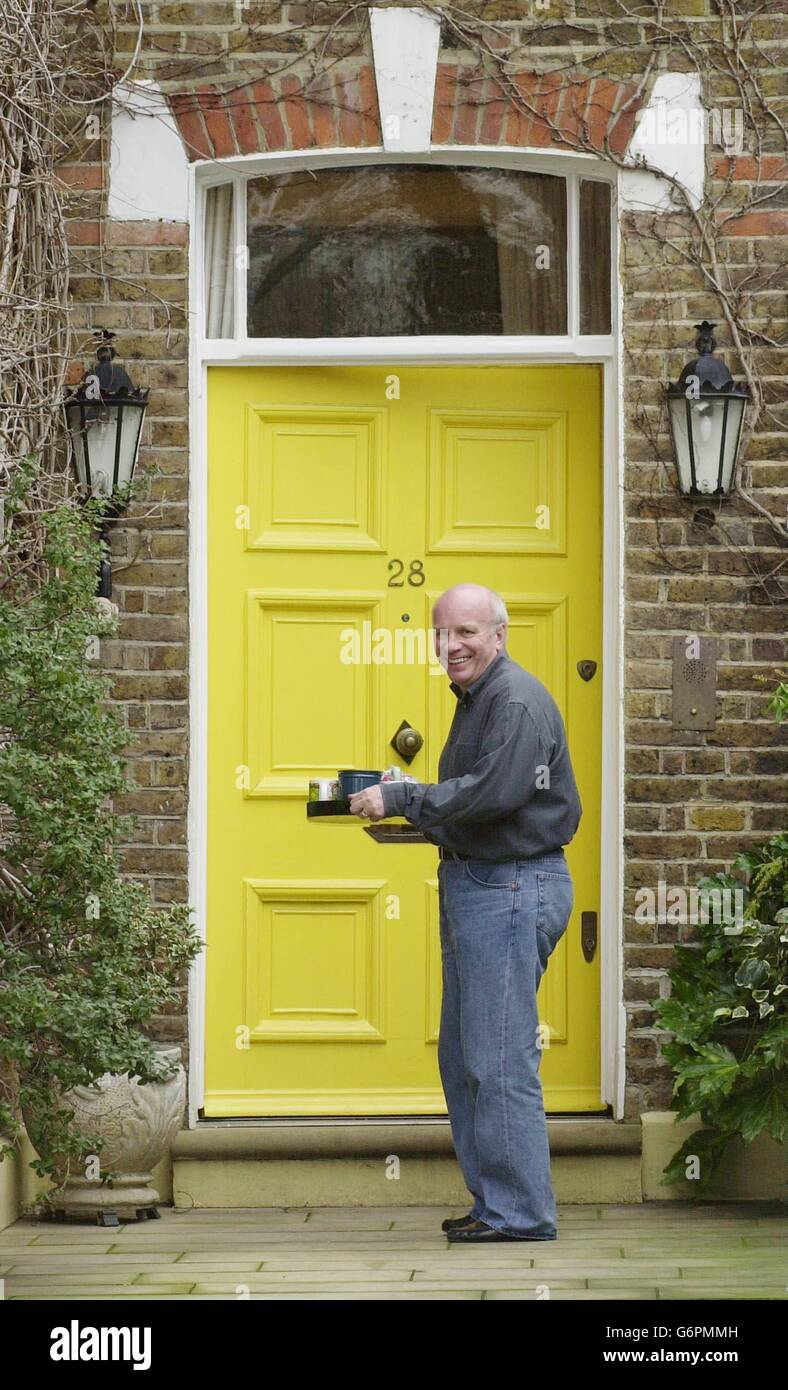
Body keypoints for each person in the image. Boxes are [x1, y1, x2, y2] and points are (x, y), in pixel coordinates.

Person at [348, 583, 582, 1243]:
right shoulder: (479, 699)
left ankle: (519, 1214)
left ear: (499, 635)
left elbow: (492, 795)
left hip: (510, 887)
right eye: (441, 634)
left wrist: (403, 797)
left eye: (466, 633)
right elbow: (476, 805)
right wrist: (409, 815)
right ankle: (495, 1204)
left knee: (499, 1058)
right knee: (466, 1056)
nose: (450, 646)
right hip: (483, 885)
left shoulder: (514, 701)